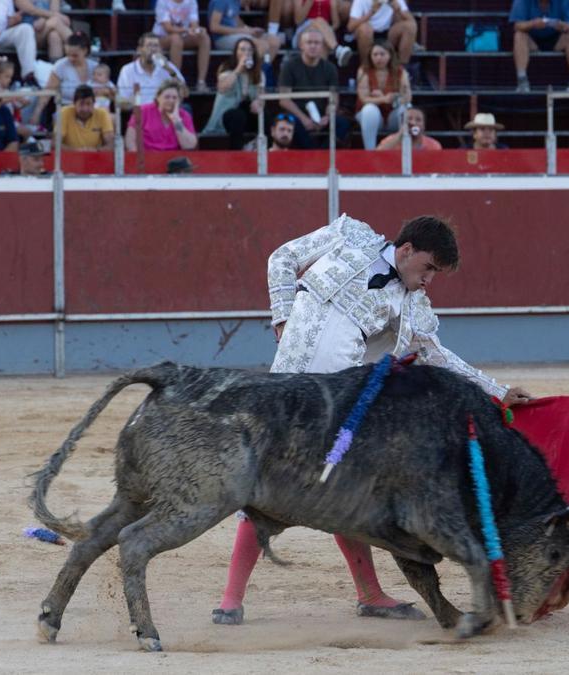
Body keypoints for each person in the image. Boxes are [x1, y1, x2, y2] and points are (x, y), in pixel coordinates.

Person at [211, 214, 533, 627]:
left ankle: (369, 593)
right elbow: (282, 258)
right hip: (284, 393)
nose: (430, 279)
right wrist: (282, 316)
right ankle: (230, 600)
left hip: (339, 406)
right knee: (262, 489)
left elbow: (437, 355)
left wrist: (496, 389)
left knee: (342, 494)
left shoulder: (411, 304)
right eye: (429, 267)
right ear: (406, 250)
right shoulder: (348, 236)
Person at [277, 27, 351, 149]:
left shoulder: (330, 68)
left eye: (316, 43)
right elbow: (284, 100)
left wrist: (327, 117)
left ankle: (323, 154)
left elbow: (333, 99)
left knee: (342, 123)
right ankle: (313, 154)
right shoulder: (289, 67)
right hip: (298, 115)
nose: (313, 46)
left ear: (322, 47)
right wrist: (304, 118)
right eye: (309, 42)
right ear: (301, 45)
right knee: (290, 123)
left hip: (322, 116)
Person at [510, 0, 569, 92]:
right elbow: (517, 26)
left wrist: (563, 25)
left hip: (556, 39)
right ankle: (522, 81)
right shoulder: (521, 1)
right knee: (519, 36)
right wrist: (533, 24)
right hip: (532, 39)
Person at [204, 36, 265, 149]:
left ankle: (268, 149)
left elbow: (261, 98)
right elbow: (223, 87)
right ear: (236, 52)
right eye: (242, 49)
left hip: (247, 115)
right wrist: (238, 69)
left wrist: (258, 103)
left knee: (266, 115)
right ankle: (236, 151)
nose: (246, 53)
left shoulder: (259, 74)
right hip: (228, 116)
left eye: (250, 50)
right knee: (238, 115)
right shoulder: (226, 68)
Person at [355, 39, 409, 150]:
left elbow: (407, 96)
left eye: (382, 54)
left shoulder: (400, 71)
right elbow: (364, 98)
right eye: (375, 54)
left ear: (390, 55)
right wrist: (383, 99)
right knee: (370, 109)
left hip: (391, 114)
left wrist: (394, 98)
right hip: (370, 116)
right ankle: (370, 152)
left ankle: (405, 152)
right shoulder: (364, 70)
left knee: (407, 109)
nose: (378, 58)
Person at [116, 33, 186, 112]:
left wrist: (168, 69)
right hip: (142, 114)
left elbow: (185, 91)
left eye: (156, 46)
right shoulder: (127, 70)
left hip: (165, 113)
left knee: (186, 109)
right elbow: (122, 102)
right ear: (140, 49)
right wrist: (138, 102)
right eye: (149, 45)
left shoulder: (167, 66)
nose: (153, 49)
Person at [124, 78, 198, 151]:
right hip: (147, 158)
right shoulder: (143, 111)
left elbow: (189, 146)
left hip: (174, 159)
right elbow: (130, 141)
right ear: (158, 97)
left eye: (174, 98)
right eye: (167, 97)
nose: (171, 100)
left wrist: (176, 120)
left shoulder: (184, 116)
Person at [155, 0, 211, 92]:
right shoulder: (162, 2)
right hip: (162, 37)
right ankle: (176, 82)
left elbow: (194, 24)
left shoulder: (192, 1)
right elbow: (168, 28)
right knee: (176, 39)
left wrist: (198, 30)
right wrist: (187, 30)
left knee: (204, 38)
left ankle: (201, 82)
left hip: (183, 35)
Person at [209, 0, 284, 64]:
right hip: (222, 38)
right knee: (261, 45)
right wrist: (242, 31)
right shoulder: (220, 1)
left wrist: (250, 30)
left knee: (274, 41)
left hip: (236, 34)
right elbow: (214, 27)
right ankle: (252, 75)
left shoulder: (235, 2)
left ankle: (263, 70)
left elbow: (236, 21)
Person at [347, 0, 417, 67]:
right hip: (367, 36)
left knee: (409, 26)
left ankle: (402, 69)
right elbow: (351, 26)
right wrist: (371, 12)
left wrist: (399, 10)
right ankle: (366, 68)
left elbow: (412, 22)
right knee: (365, 29)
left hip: (387, 33)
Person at [293, 0, 353, 66]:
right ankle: (337, 49)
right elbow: (297, 21)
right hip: (304, 29)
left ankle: (319, 73)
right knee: (319, 22)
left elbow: (336, 23)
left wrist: (326, 30)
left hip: (324, 29)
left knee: (321, 40)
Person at [57, 84, 112, 150]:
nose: (85, 109)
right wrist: (76, 152)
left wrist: (96, 151)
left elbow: (111, 144)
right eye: (81, 104)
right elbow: (56, 143)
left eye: (88, 104)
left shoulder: (102, 114)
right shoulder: (64, 112)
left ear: (94, 103)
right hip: (69, 158)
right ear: (74, 103)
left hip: (96, 157)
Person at [375, 106, 441, 150]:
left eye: (418, 120)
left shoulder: (434, 146)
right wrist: (399, 136)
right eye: (409, 119)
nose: (413, 123)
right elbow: (376, 155)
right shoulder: (390, 140)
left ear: (424, 126)